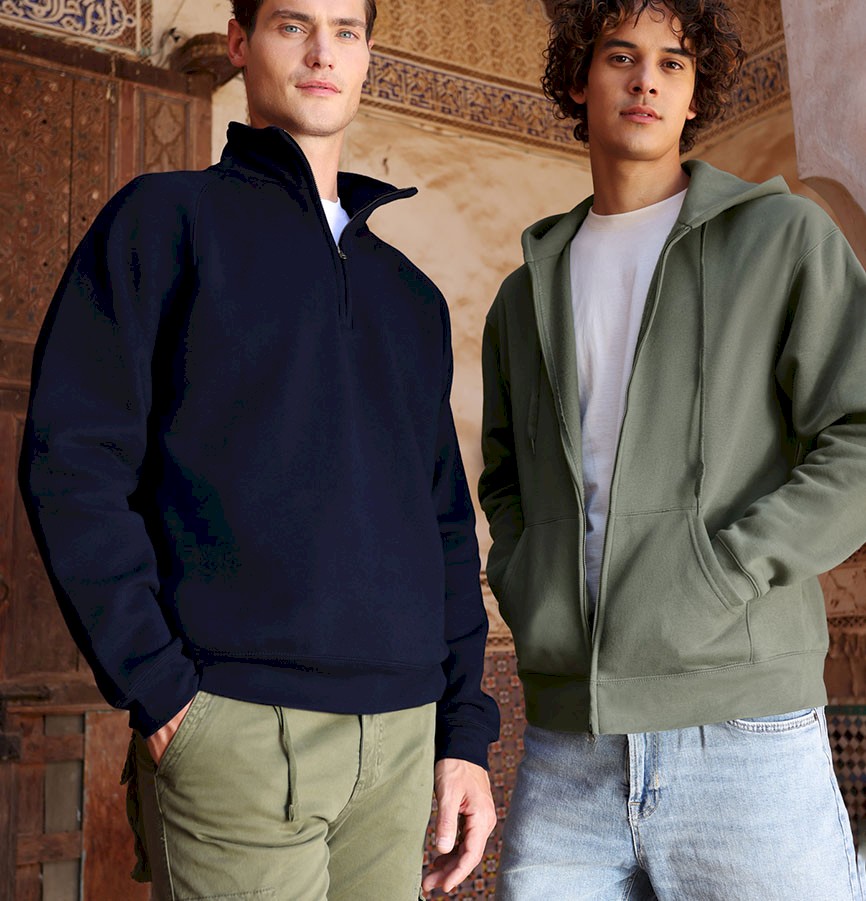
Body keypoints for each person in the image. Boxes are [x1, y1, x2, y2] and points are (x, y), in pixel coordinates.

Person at [18, 0, 499, 897]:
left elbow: (442, 523)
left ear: (367, 57)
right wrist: (159, 687)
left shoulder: (412, 297)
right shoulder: (164, 221)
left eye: (345, 31)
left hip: (403, 741)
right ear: (240, 42)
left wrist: (462, 734)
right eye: (292, 25)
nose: (322, 52)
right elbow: (73, 459)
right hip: (234, 729)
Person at [479, 0, 866, 898]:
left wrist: (728, 570)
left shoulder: (783, 239)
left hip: (746, 737)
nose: (646, 80)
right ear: (580, 81)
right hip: (567, 747)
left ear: (695, 95)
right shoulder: (520, 298)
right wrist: (530, 580)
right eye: (621, 56)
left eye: (673, 62)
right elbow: (505, 480)